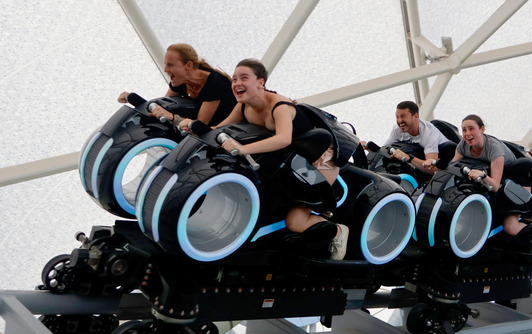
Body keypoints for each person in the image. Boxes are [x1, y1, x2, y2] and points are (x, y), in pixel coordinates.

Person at [183, 58, 348, 260]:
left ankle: (337, 230)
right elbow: (220, 129)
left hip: (319, 160)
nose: (237, 83)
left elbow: (284, 139)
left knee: (294, 223)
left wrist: (243, 149)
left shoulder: (279, 105)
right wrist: (191, 125)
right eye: (234, 79)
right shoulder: (243, 106)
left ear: (261, 82)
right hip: (291, 161)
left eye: (244, 78)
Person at [452, 115, 532, 251]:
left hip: (512, 184)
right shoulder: (463, 145)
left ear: (482, 129)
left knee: (511, 228)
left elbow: (494, 186)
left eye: (471, 129)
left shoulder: (494, 148)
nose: (467, 134)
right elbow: (452, 166)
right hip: (494, 181)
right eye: (464, 130)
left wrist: (482, 175)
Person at [118, 44, 236, 127]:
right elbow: (163, 105)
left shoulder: (216, 83)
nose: (165, 70)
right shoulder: (181, 79)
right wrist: (134, 99)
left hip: (223, 129)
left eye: (170, 65)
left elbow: (200, 125)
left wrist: (173, 117)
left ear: (188, 66)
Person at [381, 101, 449, 174]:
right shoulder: (397, 129)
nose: (399, 121)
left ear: (416, 116)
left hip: (444, 157)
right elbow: (383, 151)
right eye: (397, 117)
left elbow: (434, 170)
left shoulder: (429, 133)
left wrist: (408, 158)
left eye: (403, 116)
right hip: (417, 163)